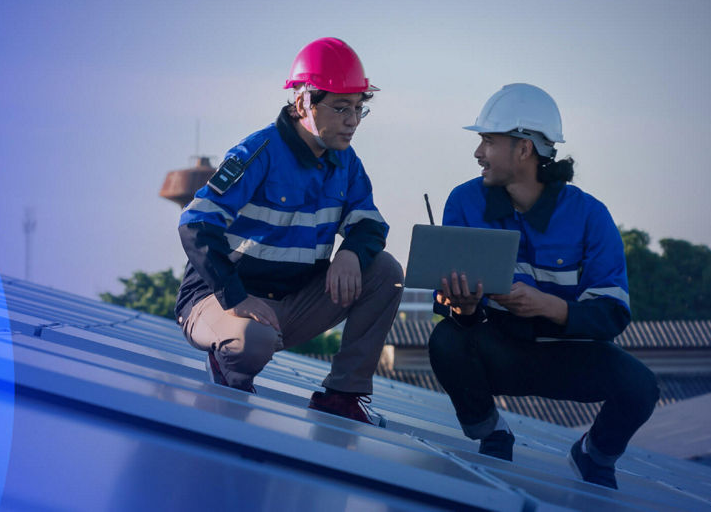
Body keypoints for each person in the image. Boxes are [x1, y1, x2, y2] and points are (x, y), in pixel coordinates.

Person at [430, 83, 657, 489]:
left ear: (524, 149)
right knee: (446, 340)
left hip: (567, 358)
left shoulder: (590, 216)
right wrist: (462, 308)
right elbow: (449, 306)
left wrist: (548, 306)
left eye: (487, 140)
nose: (477, 153)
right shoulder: (464, 202)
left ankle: (595, 455)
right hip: (498, 351)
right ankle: (492, 434)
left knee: (641, 387)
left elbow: (612, 314)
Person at [175, 37, 402, 426]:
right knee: (251, 342)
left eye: (359, 109)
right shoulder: (258, 152)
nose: (352, 120)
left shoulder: (346, 162)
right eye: (341, 107)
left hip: (289, 304)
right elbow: (195, 223)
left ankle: (342, 396)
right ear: (303, 104)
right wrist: (235, 295)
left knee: (384, 272)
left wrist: (349, 252)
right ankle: (229, 373)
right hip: (221, 300)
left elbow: (369, 223)